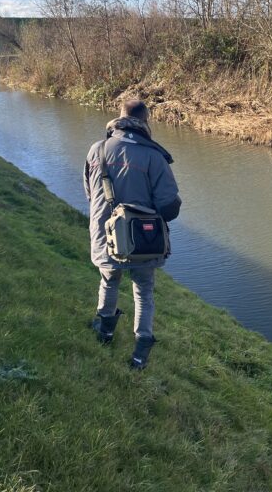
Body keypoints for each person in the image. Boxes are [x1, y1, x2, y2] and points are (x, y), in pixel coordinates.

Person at [83, 99, 181, 369]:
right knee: (144, 292)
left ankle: (104, 330)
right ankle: (140, 351)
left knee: (109, 280)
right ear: (145, 121)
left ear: (120, 117)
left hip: (106, 234)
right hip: (144, 241)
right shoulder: (154, 156)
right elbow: (169, 205)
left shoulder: (97, 150)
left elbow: (90, 194)